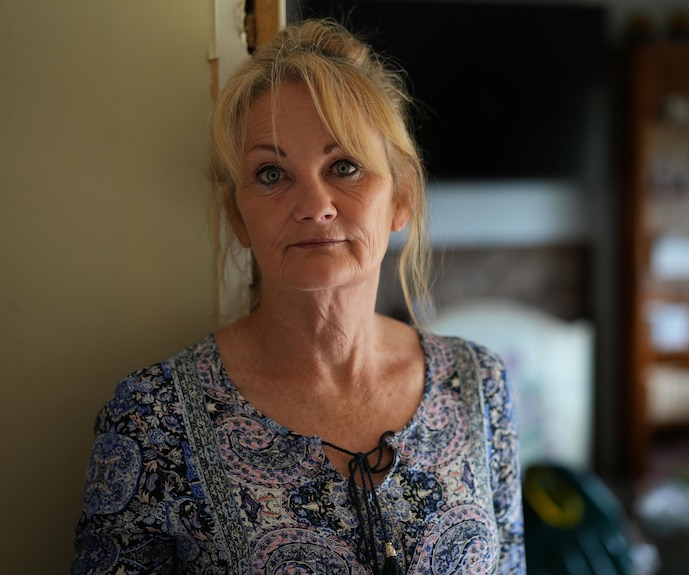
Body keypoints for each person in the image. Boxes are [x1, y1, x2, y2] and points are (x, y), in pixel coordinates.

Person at [71, 18, 525, 574]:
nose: (315, 205)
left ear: (401, 198)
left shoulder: (479, 385)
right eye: (270, 174)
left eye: (345, 166)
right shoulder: (151, 418)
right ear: (238, 216)